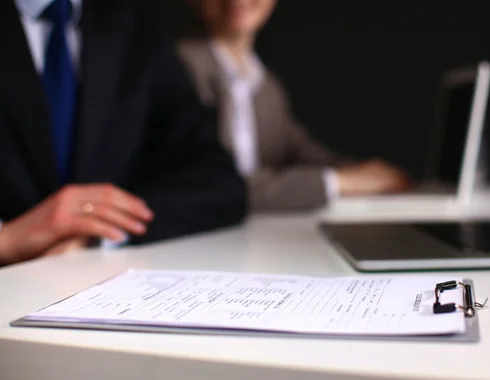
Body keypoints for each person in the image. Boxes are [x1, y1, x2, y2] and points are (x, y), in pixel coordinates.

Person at [0, 0, 246, 266]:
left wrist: (103, 229)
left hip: (96, 277)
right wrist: (8, 240)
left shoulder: (136, 23)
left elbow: (216, 177)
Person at [178, 0, 411, 212]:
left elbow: (302, 150)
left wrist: (367, 172)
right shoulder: (178, 69)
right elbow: (220, 187)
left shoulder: (265, 85)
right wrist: (338, 182)